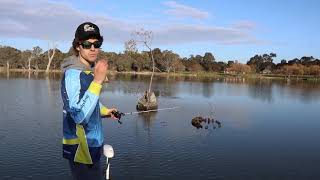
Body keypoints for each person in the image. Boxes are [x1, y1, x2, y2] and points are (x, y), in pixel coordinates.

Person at [60, 22, 117, 180]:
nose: (92, 48)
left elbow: (87, 101)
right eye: (87, 44)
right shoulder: (73, 75)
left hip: (92, 144)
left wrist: (105, 111)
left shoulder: (86, 72)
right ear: (78, 46)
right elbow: (78, 115)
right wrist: (98, 81)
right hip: (81, 148)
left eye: (96, 43)